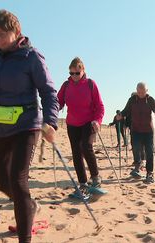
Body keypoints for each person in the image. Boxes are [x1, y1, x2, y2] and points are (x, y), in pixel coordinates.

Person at [0, 9, 59, 243]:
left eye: (2, 33)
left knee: (18, 180)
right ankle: (29, 206)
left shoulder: (32, 57)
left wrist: (50, 122)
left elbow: (48, 93)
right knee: (4, 183)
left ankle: (25, 236)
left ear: (16, 32)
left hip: (25, 127)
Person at [57, 57, 105, 198]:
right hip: (72, 124)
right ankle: (83, 184)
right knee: (76, 153)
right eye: (72, 73)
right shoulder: (66, 86)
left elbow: (100, 106)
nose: (74, 76)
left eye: (77, 73)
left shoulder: (91, 84)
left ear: (83, 71)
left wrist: (97, 120)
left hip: (88, 122)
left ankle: (95, 178)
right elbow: (58, 102)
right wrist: (51, 111)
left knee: (86, 146)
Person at [116, 82, 155, 183]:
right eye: (139, 92)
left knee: (149, 151)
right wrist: (120, 115)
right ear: (136, 90)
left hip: (148, 131)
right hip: (135, 130)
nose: (140, 94)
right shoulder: (132, 99)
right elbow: (126, 111)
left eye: (142, 92)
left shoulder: (150, 100)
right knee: (136, 147)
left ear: (146, 91)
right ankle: (137, 166)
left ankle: (149, 173)